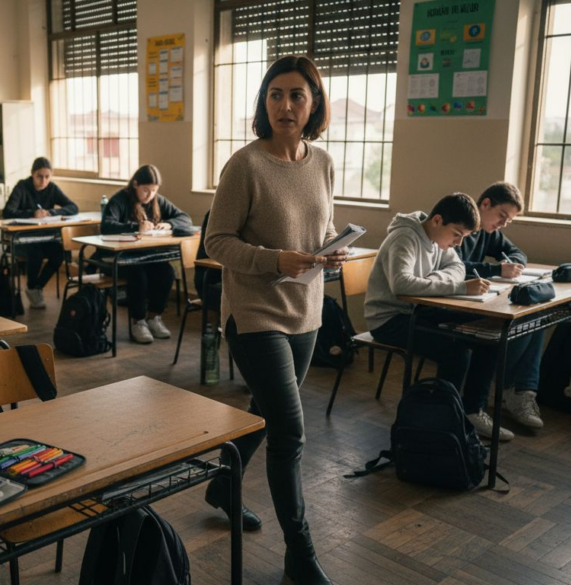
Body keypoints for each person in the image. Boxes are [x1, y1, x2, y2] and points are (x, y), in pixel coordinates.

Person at [205, 55, 348, 585]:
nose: (285, 105)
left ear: (313, 104)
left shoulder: (324, 162)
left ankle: (223, 485)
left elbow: (320, 227)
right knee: (290, 431)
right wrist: (273, 259)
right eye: (275, 95)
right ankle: (300, 554)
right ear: (264, 103)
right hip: (254, 312)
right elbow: (216, 242)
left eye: (297, 96)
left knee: (265, 415)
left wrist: (331, 253)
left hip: (305, 311)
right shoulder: (245, 165)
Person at [364, 192, 500, 428]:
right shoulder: (405, 238)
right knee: (456, 352)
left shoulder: (437, 238)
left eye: (463, 237)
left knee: (488, 333)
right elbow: (401, 285)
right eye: (457, 235)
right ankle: (442, 422)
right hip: (389, 319)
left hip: (419, 310)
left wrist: (434, 278)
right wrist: (458, 287)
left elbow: (457, 266)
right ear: (437, 220)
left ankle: (472, 410)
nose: (458, 243)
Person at [456, 182, 544, 438]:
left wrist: (511, 262)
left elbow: (517, 252)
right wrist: (496, 270)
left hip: (474, 300)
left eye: (509, 221)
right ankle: (500, 390)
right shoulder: (458, 222)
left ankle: (520, 391)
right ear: (485, 204)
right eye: (502, 216)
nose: (503, 224)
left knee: (534, 314)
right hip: (452, 304)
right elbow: (455, 265)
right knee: (507, 324)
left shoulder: (489, 232)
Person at [101, 164, 192, 344]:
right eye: (145, 190)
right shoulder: (120, 199)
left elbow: (185, 217)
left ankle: (154, 317)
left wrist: (169, 224)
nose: (149, 195)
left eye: (153, 191)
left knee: (167, 273)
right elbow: (106, 226)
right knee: (138, 276)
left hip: (146, 255)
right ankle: (138, 321)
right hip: (121, 258)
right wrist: (136, 227)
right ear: (135, 184)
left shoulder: (156, 200)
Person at [3, 157, 79, 309]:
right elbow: (7, 212)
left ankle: (36, 287)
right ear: (32, 174)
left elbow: (73, 207)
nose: (43, 180)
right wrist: (32, 213)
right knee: (35, 252)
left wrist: (51, 212)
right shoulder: (22, 187)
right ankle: (32, 287)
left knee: (60, 253)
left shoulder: (52, 188)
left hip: (44, 237)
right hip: (21, 239)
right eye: (39, 176)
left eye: (47, 176)